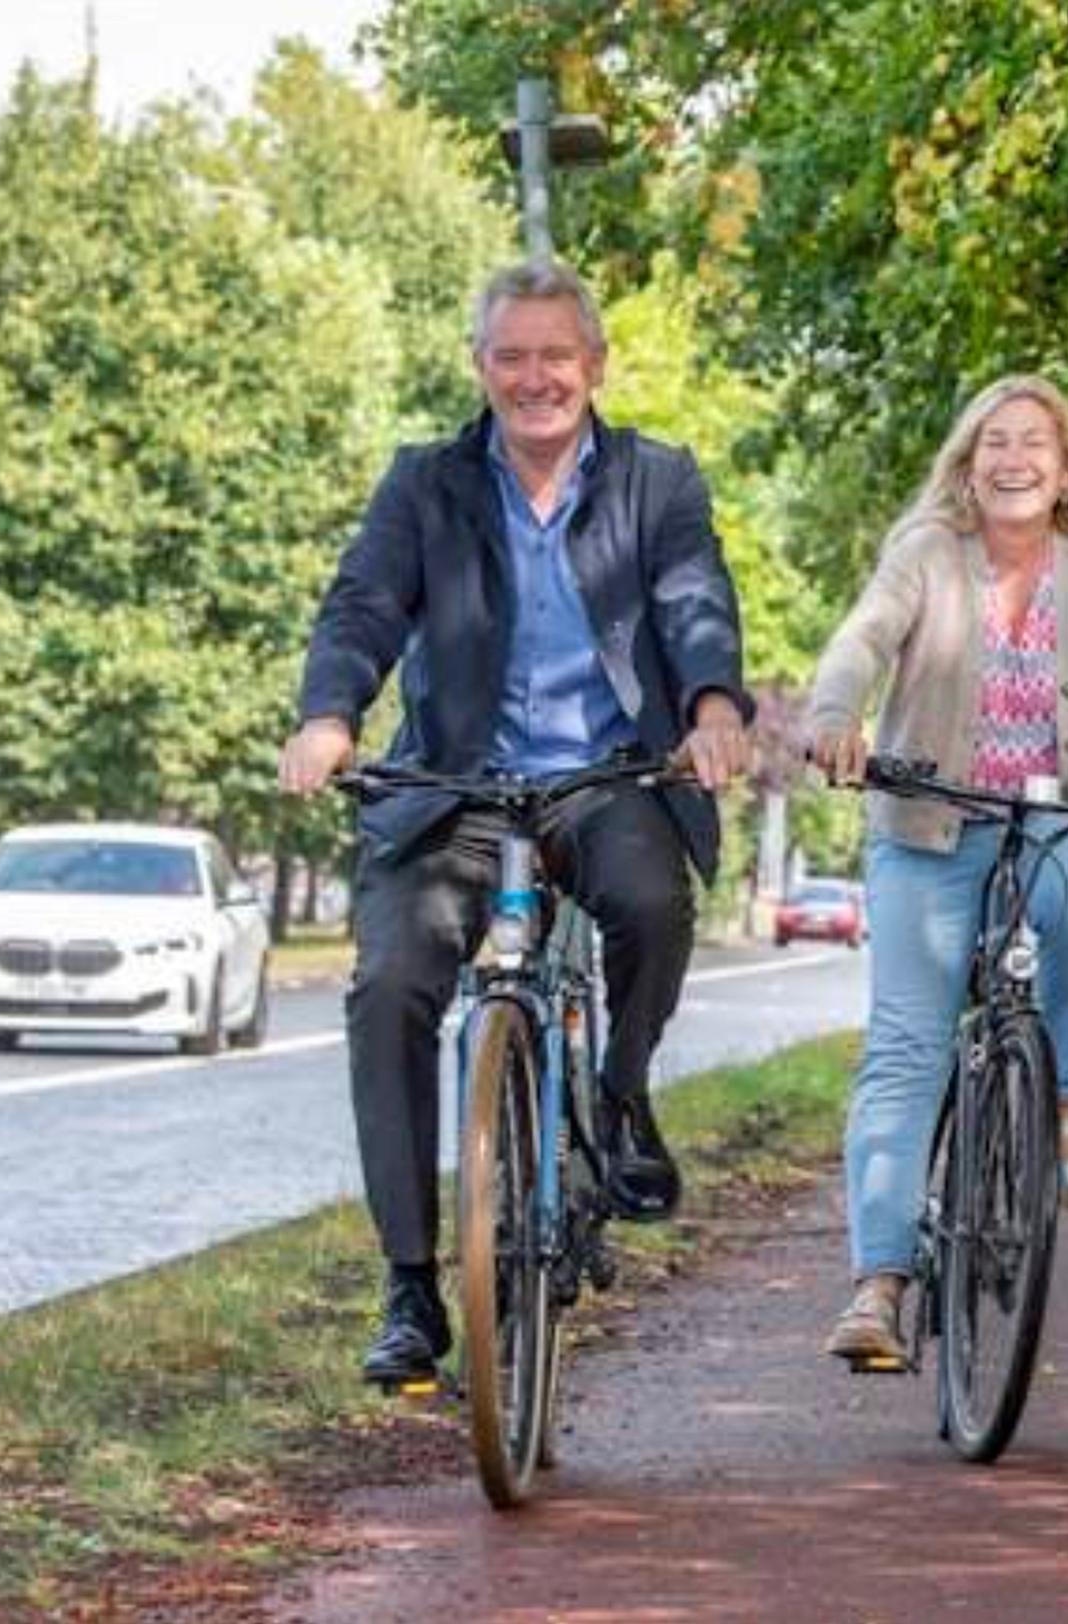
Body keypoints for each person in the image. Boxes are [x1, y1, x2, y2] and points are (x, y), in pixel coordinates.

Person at [279, 261, 755, 1386]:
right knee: (389, 981)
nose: (534, 377)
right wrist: (328, 714)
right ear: (479, 366)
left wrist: (713, 705)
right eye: (511, 355)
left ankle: (621, 1090)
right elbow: (363, 603)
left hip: (606, 777)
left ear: (593, 365)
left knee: (648, 900)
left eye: (556, 355)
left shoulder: (656, 479)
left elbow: (693, 598)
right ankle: (408, 1285)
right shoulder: (425, 484)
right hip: (458, 789)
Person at [806, 374, 1068, 1368]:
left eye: (1034, 441)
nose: (1013, 457)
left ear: (1065, 470)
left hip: (1060, 817)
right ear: (966, 464)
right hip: (929, 821)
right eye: (993, 442)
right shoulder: (926, 553)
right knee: (906, 1044)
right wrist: (831, 715)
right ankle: (879, 1283)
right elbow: (862, 638)